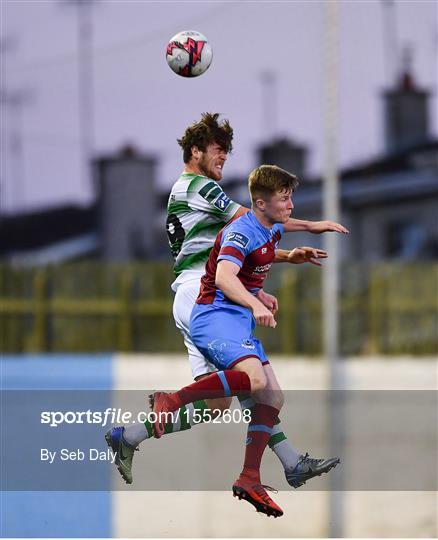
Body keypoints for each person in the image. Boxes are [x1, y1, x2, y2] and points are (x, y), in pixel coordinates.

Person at [106, 113, 347, 486]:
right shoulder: (200, 187)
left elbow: (240, 244)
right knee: (256, 383)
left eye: (227, 152)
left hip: (194, 293)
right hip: (202, 295)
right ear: (195, 150)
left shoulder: (185, 191)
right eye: (218, 150)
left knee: (220, 402)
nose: (224, 158)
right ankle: (283, 463)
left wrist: (282, 260)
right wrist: (311, 227)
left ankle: (130, 436)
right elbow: (256, 218)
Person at [149, 165, 340, 517]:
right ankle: (171, 400)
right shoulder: (241, 231)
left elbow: (283, 226)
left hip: (234, 319)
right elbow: (224, 277)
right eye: (284, 199)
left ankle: (250, 477)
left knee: (271, 396)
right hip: (213, 316)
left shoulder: (268, 225)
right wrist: (255, 302)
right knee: (253, 380)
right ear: (260, 203)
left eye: (291, 198)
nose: (291, 205)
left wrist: (313, 228)